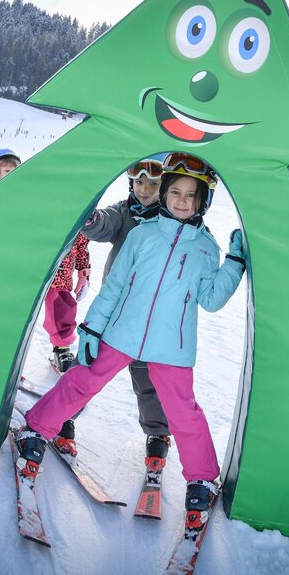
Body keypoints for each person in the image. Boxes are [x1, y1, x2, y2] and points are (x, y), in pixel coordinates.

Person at [17, 152, 247, 516]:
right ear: (165, 193)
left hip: (172, 347)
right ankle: (36, 429)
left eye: (191, 195)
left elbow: (211, 299)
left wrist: (234, 263)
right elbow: (115, 287)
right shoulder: (142, 234)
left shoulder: (205, 248)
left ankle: (202, 479)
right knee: (81, 380)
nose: (182, 201)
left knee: (184, 413)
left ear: (203, 201)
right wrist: (92, 327)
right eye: (176, 192)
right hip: (122, 332)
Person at [79, 157, 173, 468]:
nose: (144, 190)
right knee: (90, 368)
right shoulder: (123, 212)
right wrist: (89, 218)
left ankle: (158, 434)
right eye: (139, 182)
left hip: (151, 318)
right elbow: (102, 225)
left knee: (150, 380)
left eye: (153, 184)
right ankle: (64, 415)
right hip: (115, 313)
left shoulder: (173, 219)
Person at [45, 234, 91, 372]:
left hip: (60, 272)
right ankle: (5, 351)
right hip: (28, 264)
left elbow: (81, 241)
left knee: (61, 310)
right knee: (17, 310)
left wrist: (84, 272)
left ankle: (62, 350)